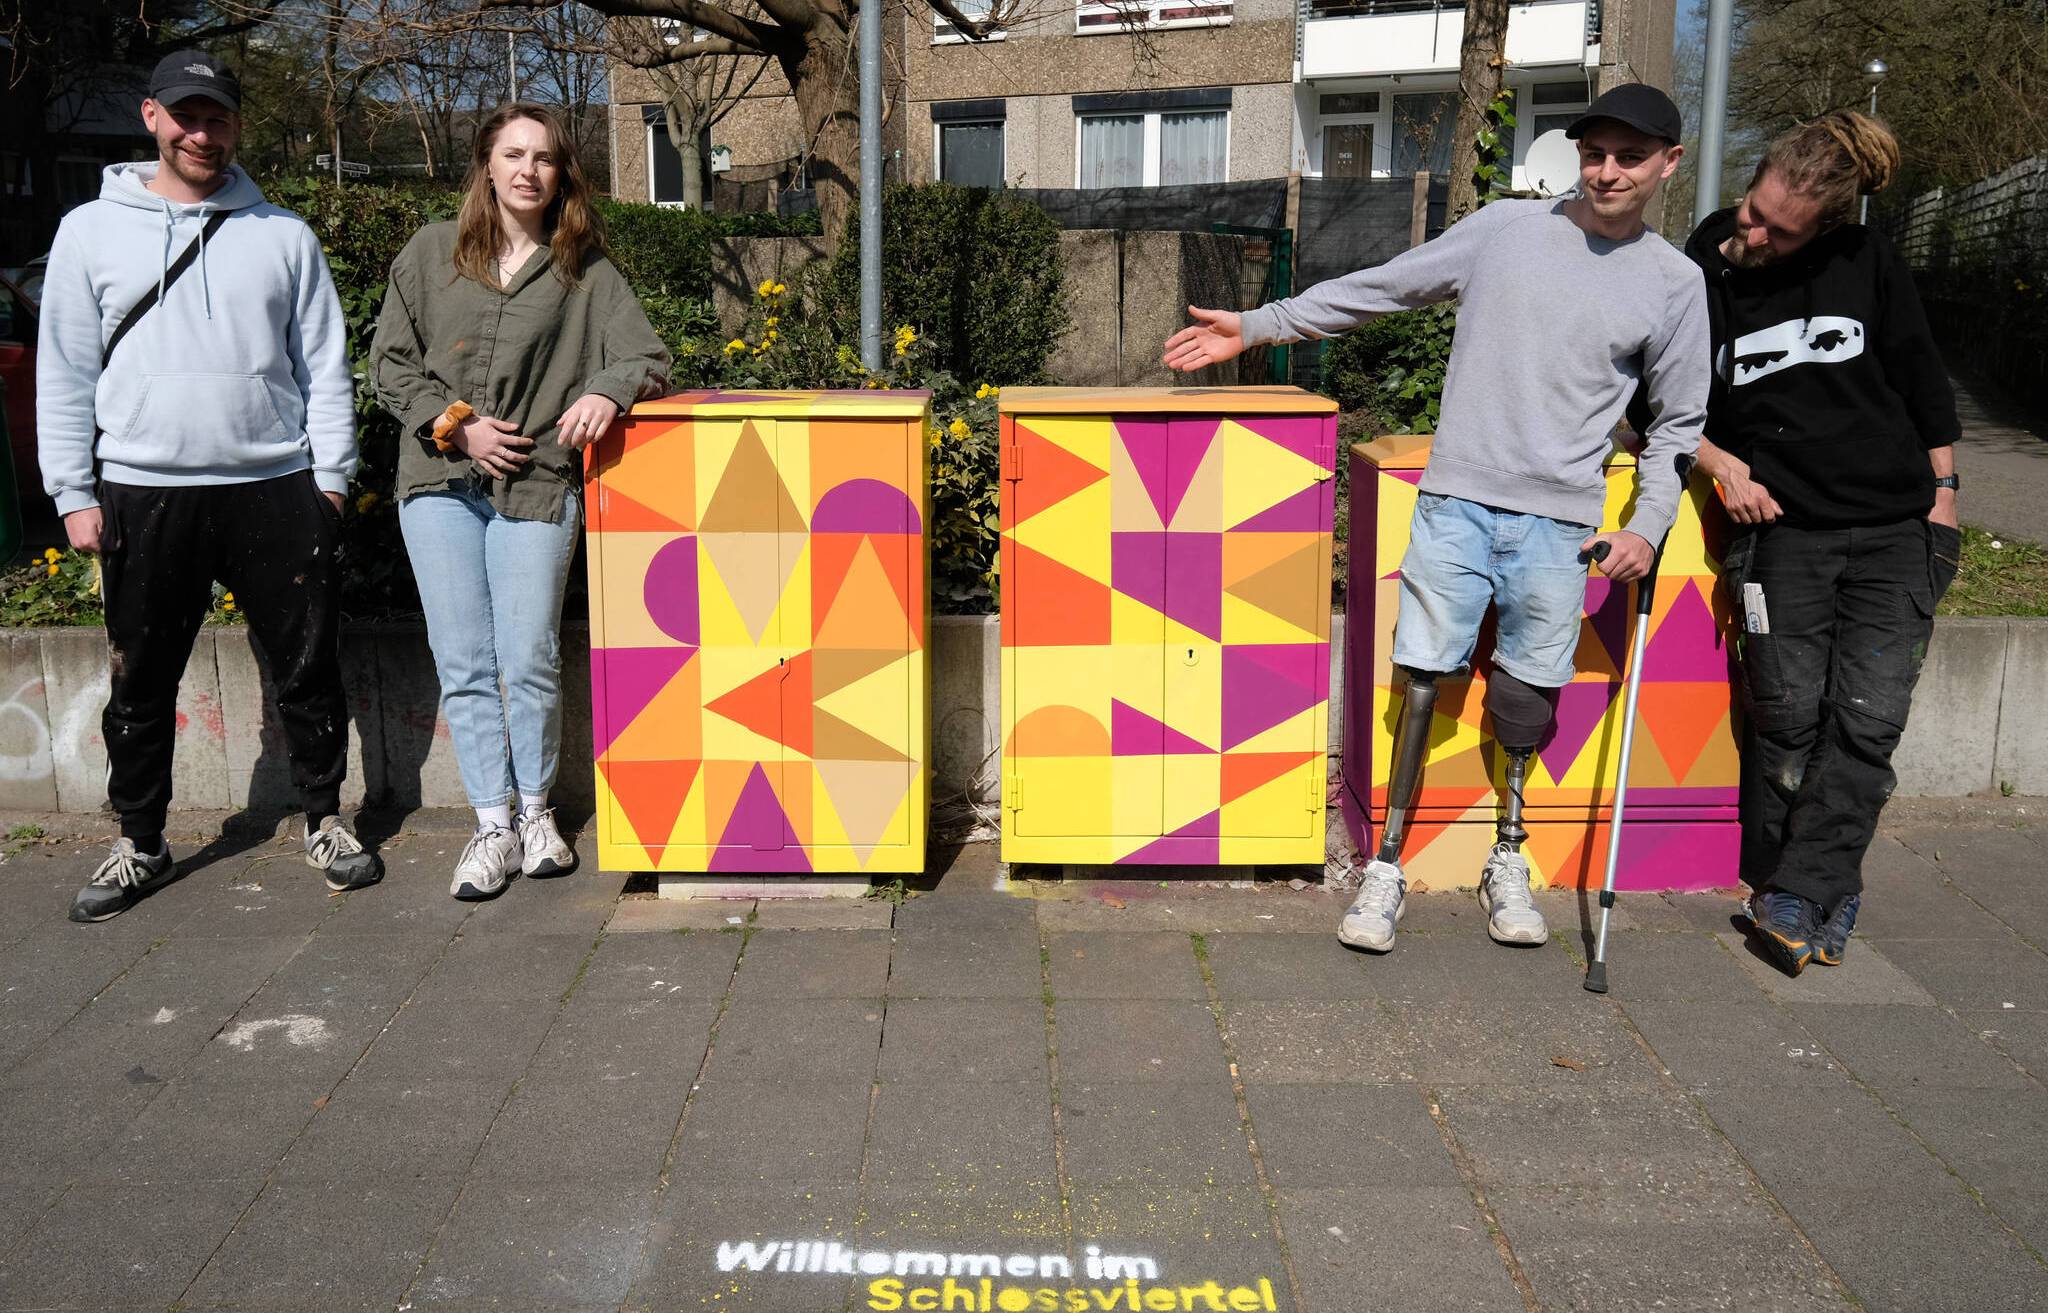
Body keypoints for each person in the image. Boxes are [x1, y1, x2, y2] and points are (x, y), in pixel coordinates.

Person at [1164, 84, 1708, 953]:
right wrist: (1264, 324)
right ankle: (1386, 864)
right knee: (1424, 676)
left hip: (1561, 526)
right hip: (1456, 499)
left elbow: (1679, 423)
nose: (1607, 172)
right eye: (1594, 153)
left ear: (1668, 164)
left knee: (1529, 697)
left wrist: (1646, 524)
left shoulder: (1677, 284)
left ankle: (1509, 853)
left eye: (1629, 157)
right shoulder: (1507, 231)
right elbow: (1385, 288)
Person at [37, 50, 381, 922]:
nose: (202, 132)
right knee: (141, 678)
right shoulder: (89, 231)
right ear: (151, 117)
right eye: (186, 115)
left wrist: (330, 484)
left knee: (308, 670)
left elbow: (327, 368)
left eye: (218, 116)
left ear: (235, 125)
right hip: (143, 490)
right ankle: (141, 842)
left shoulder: (283, 235)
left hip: (274, 483)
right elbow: (65, 371)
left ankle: (324, 817)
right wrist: (74, 491)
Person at [1678, 111, 1959, 975]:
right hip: (1782, 533)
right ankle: (1809, 887)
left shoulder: (1867, 261)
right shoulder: (1703, 265)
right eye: (1753, 208)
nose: (1752, 233)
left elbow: (1920, 378)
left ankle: (1797, 891)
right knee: (1788, 719)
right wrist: (1722, 463)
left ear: (1828, 229)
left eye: (1777, 229)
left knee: (1868, 723)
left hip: (1893, 529)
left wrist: (1945, 495)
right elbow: (1668, 398)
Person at [371, 103, 668, 900]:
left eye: (543, 157)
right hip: (439, 486)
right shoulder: (432, 253)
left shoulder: (585, 271)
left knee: (529, 654)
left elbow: (645, 353)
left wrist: (609, 390)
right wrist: (458, 427)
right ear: (487, 165)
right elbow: (390, 366)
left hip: (535, 488)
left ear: (560, 172)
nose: (528, 170)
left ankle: (537, 813)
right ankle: (491, 824)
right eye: (513, 154)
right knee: (465, 663)